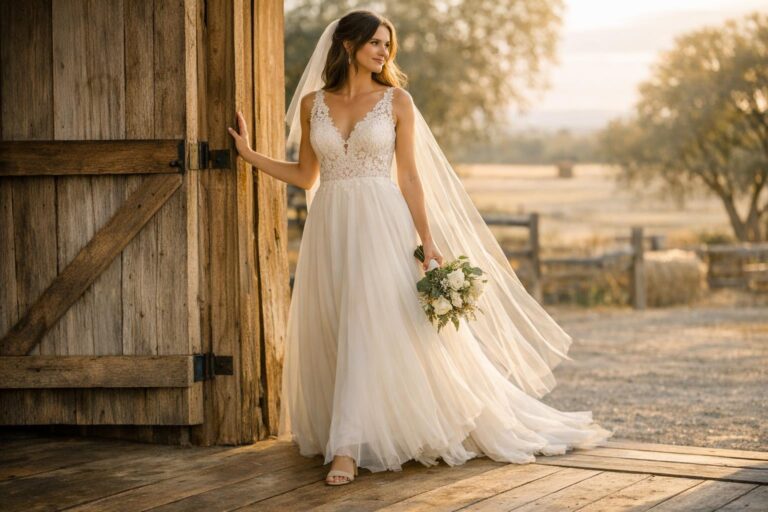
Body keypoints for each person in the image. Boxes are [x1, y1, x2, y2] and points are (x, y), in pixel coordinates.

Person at [228, 9, 613, 486]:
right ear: (347, 45)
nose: (383, 52)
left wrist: (428, 240)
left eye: (387, 45)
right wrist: (250, 157)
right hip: (330, 224)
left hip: (382, 222)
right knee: (337, 322)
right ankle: (351, 430)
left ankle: (346, 449)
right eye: (374, 43)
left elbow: (408, 176)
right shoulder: (312, 105)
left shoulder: (397, 102)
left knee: (369, 322)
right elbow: (307, 175)